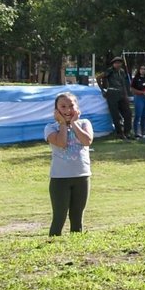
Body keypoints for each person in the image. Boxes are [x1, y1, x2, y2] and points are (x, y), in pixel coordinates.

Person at [44, 91, 93, 236]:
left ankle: (75, 248)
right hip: (60, 178)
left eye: (71, 106)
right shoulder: (50, 128)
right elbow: (62, 143)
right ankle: (52, 246)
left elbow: (87, 141)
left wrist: (73, 123)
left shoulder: (85, 123)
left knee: (77, 217)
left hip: (82, 176)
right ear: (56, 109)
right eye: (63, 106)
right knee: (59, 217)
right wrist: (62, 124)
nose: (67, 110)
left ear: (77, 107)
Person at [100, 56, 132, 141]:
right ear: (113, 64)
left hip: (121, 93)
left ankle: (127, 132)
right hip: (112, 93)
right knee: (115, 115)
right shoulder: (110, 71)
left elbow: (123, 84)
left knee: (128, 113)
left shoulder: (121, 71)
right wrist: (103, 90)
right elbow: (99, 77)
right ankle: (119, 133)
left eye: (119, 63)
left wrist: (126, 96)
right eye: (116, 63)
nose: (118, 64)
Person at [129, 62, 145, 139]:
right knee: (138, 115)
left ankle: (143, 132)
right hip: (139, 98)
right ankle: (136, 132)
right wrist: (142, 92)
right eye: (141, 69)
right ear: (139, 70)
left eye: (144, 69)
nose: (143, 70)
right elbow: (132, 89)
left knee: (144, 116)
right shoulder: (135, 79)